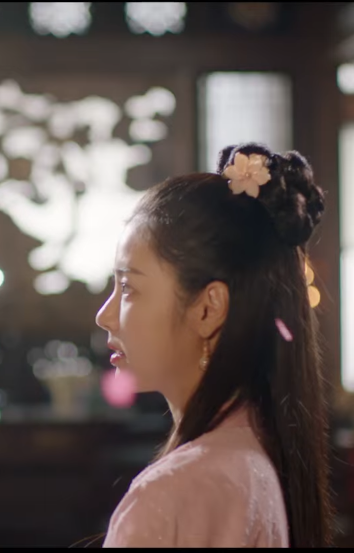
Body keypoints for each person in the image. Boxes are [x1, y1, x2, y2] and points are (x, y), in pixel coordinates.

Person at [96, 144, 333, 547]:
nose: (105, 315)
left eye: (128, 287)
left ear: (209, 308)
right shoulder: (256, 458)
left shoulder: (168, 496)